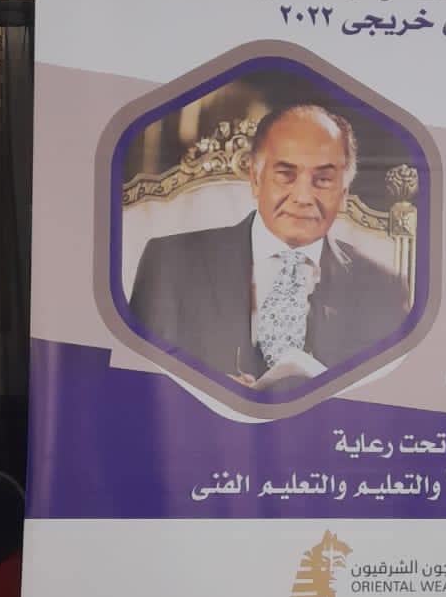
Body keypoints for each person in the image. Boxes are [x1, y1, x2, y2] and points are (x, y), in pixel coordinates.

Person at [127, 103, 409, 390]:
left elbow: (386, 400)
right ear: (255, 179)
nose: (303, 196)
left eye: (323, 180)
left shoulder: (383, 287)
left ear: (343, 194)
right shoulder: (170, 263)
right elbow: (133, 380)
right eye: (286, 174)